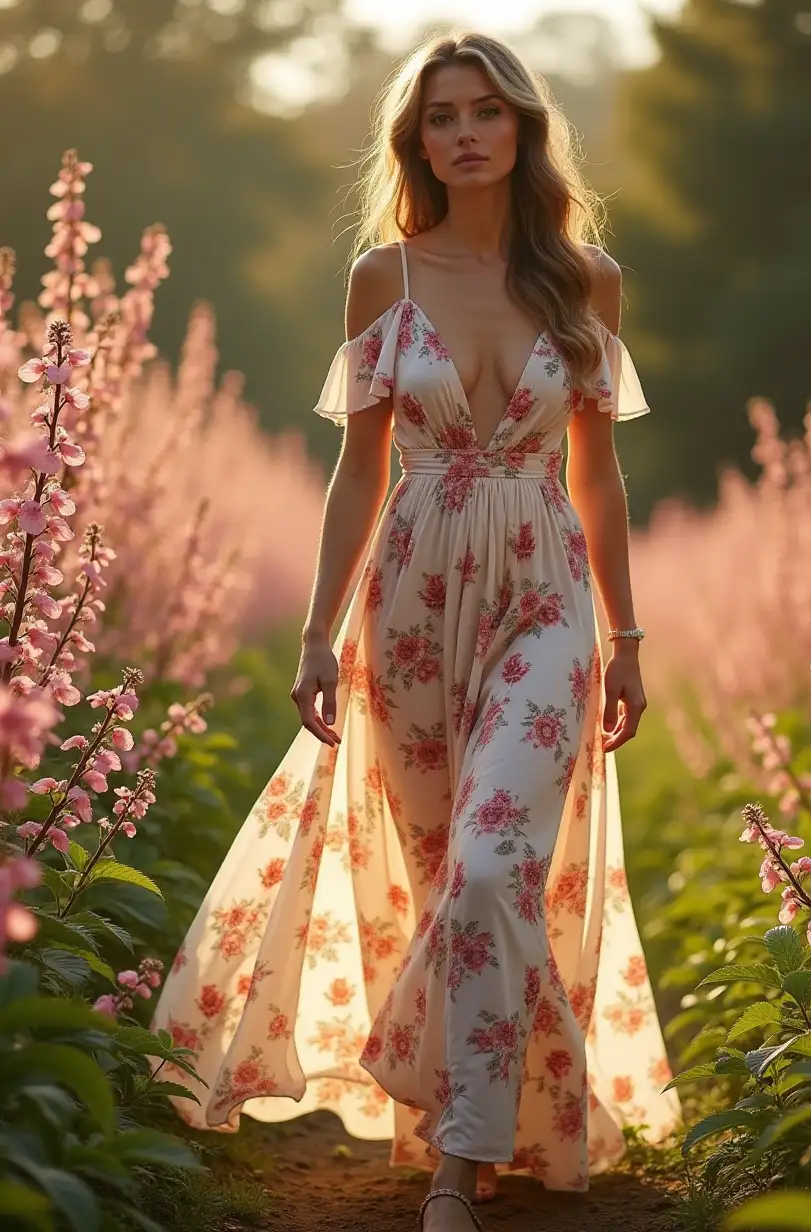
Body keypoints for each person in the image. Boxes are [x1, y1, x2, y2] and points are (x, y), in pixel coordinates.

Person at [149, 29, 681, 1232]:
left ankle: (459, 1158)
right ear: (417, 141)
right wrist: (313, 633)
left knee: (495, 863)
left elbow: (598, 475)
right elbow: (356, 472)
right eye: (442, 116)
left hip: (544, 596)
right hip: (410, 601)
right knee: (445, 875)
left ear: (524, 128)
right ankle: (482, 1124)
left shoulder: (585, 277)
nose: (465, 133)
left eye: (487, 111)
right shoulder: (382, 279)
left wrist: (628, 634)